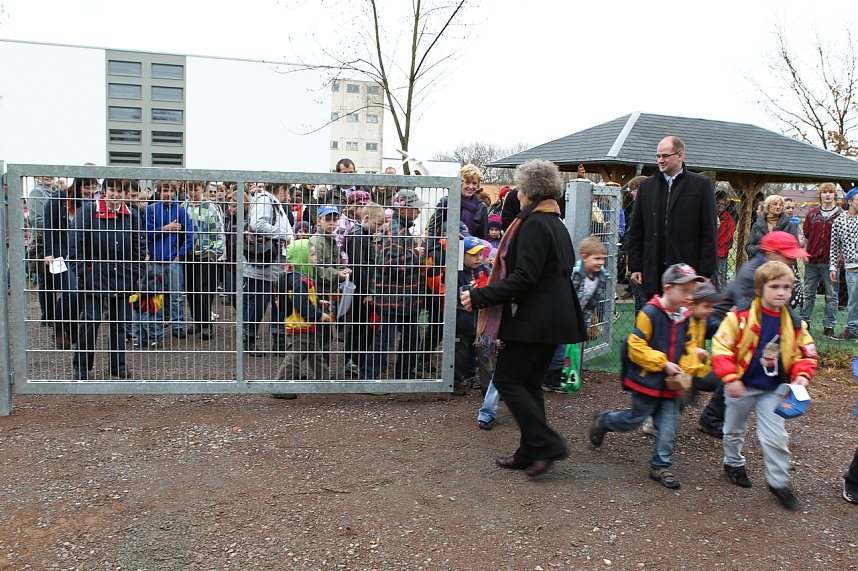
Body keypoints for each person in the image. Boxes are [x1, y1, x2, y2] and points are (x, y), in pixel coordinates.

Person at [461, 159, 587, 478]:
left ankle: (546, 443)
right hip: (554, 320)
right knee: (529, 383)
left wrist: (479, 297)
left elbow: (524, 277)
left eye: (519, 187)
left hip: (535, 320)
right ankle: (530, 452)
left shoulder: (533, 224)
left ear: (528, 192)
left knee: (506, 379)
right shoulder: (555, 223)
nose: (515, 193)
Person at [713, 261, 817, 510]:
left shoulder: (794, 323)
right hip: (742, 384)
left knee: (776, 436)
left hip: (773, 388)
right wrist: (730, 378)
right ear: (760, 288)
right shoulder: (740, 317)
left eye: (787, 287)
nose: (781, 292)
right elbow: (721, 347)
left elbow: (807, 352)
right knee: (733, 429)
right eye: (775, 286)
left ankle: (778, 482)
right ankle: (733, 462)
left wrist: (802, 374)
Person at [589, 264, 702, 490]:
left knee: (669, 425)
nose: (690, 297)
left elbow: (689, 346)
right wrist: (662, 363)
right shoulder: (650, 313)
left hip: (671, 385)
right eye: (685, 291)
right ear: (669, 288)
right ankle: (603, 421)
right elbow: (635, 345)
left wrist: (686, 367)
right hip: (648, 381)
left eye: (692, 292)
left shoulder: (685, 317)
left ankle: (660, 466)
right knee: (633, 419)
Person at [698, 231, 809, 438]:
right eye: (788, 256)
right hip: (723, 322)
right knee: (741, 366)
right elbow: (748, 313)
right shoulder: (754, 273)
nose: (793, 261)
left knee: (745, 365)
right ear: (771, 253)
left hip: (743, 324)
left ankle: (709, 412)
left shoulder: (773, 270)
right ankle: (699, 394)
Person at [69, 179, 146, 380]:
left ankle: (118, 365)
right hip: (94, 278)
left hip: (123, 279)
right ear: (105, 190)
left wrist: (135, 273)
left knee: (120, 324)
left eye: (120, 190)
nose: (116, 194)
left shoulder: (132, 216)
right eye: (112, 189)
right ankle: (82, 365)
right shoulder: (87, 213)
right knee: (90, 321)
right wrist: (83, 272)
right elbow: (75, 245)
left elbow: (139, 248)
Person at [627, 136, 717, 300]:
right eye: (658, 156)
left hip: (687, 272)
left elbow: (709, 231)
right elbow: (637, 230)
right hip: (652, 272)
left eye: (665, 156)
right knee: (652, 320)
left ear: (680, 155)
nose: (661, 160)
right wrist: (635, 266)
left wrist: (705, 271)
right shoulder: (647, 187)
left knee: (684, 322)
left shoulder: (700, 186)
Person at [362, 189, 427, 380]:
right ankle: (370, 378)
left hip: (405, 299)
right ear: (403, 208)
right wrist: (416, 253)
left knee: (411, 339)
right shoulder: (395, 232)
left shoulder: (401, 229)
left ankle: (403, 376)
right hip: (393, 299)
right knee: (386, 341)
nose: (418, 211)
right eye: (415, 208)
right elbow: (391, 264)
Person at [42, 177, 97, 349]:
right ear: (78, 185)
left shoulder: (88, 205)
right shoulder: (59, 198)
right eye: (86, 187)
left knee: (79, 291)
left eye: (93, 187)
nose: (89, 191)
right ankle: (59, 327)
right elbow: (48, 226)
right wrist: (48, 253)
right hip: (60, 255)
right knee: (70, 291)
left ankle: (72, 326)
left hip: (79, 255)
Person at [272, 239, 332, 393]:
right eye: (312, 255)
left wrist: (318, 303)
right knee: (294, 358)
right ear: (302, 258)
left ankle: (324, 382)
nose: (315, 258)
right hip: (299, 327)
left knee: (315, 355)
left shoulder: (301, 277)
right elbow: (302, 304)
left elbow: (306, 299)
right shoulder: (298, 280)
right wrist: (319, 315)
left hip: (306, 325)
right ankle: (280, 387)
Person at [242, 182, 294, 355]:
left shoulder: (272, 202)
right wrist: (284, 234)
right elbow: (258, 224)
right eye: (287, 191)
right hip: (262, 264)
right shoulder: (266, 200)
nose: (288, 196)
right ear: (281, 189)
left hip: (273, 264)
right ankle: (249, 340)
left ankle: (278, 341)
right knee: (258, 303)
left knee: (278, 303)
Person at [145, 180, 193, 344]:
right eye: (165, 190)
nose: (168, 194)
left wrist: (180, 254)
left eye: (171, 191)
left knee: (177, 296)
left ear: (176, 192)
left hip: (173, 261)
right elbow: (145, 234)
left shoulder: (180, 210)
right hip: (155, 261)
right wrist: (165, 228)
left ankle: (178, 326)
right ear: (159, 191)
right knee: (156, 297)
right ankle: (156, 330)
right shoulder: (151, 210)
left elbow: (189, 235)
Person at [342, 203, 386, 376]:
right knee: (359, 326)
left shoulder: (361, 234)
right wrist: (367, 291)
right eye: (377, 224)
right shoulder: (359, 236)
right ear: (366, 219)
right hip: (361, 291)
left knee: (361, 326)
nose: (378, 229)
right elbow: (359, 267)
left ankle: (355, 360)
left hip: (362, 288)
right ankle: (353, 361)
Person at [184, 181, 225, 340]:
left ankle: (207, 324)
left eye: (196, 188)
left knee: (204, 290)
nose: (193, 192)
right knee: (191, 290)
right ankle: (197, 322)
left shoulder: (211, 208)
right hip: (188, 255)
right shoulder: (184, 207)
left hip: (206, 255)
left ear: (201, 189)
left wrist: (215, 252)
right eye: (190, 189)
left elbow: (219, 232)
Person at [801, 182, 842, 337]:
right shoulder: (812, 214)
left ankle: (829, 325)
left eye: (830, 192)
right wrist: (804, 253)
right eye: (824, 192)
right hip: (812, 260)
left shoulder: (840, 215)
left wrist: (839, 258)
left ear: (834, 195)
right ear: (820, 195)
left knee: (832, 295)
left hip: (830, 261)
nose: (827, 195)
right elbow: (805, 236)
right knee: (808, 292)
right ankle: (805, 321)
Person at [455, 236, 493, 396]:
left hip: (482, 323)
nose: (478, 258)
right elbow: (455, 294)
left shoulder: (485, 271)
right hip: (463, 323)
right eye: (473, 254)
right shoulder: (457, 273)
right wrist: (467, 289)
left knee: (485, 355)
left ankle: (488, 388)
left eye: (480, 254)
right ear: (462, 255)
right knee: (460, 355)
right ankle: (454, 382)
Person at [829, 187, 858, 340]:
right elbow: (834, 246)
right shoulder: (840, 221)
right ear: (850, 201)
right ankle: (853, 329)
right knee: (853, 301)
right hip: (851, 267)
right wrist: (833, 266)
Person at [714, 192, 736, 292]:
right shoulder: (710, 215)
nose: (720, 206)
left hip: (721, 252)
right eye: (718, 203)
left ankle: (720, 295)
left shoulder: (729, 219)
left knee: (720, 276)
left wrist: (715, 243)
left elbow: (727, 237)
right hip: (710, 251)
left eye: (722, 204)